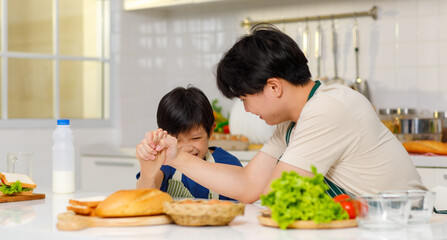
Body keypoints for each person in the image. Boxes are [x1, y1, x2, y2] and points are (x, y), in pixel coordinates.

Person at [136, 24, 426, 203]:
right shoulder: (291, 123)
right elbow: (249, 185)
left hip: (407, 225)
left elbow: (276, 195)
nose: (246, 109)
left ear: (273, 87)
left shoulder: (328, 109)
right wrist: (175, 157)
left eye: (245, 99)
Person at [135, 86, 242, 200]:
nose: (186, 149)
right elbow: (146, 196)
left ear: (211, 131)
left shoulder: (228, 163)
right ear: (164, 136)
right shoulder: (165, 163)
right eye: (175, 140)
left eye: (195, 138)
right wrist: (147, 173)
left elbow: (244, 207)